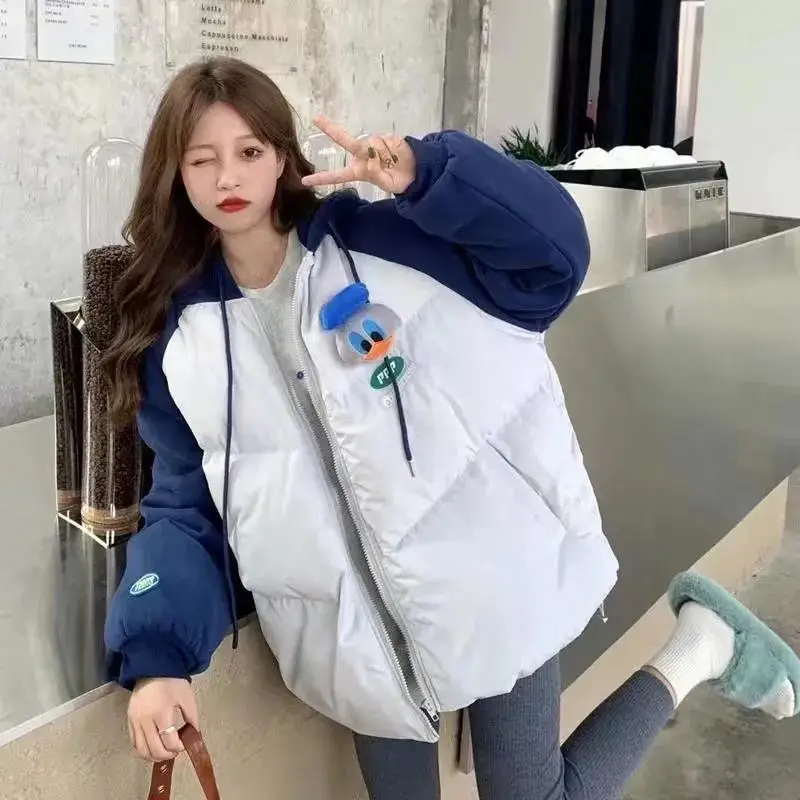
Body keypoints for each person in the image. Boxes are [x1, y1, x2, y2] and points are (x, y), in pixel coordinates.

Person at [103, 57, 800, 800]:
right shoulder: (180, 336)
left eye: (249, 151)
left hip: (490, 575)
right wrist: (159, 655)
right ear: (174, 174)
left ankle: (698, 646)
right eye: (201, 159)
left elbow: (552, 263)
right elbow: (186, 503)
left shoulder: (383, 243)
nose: (228, 178)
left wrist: (429, 174)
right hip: (352, 638)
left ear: (281, 156)